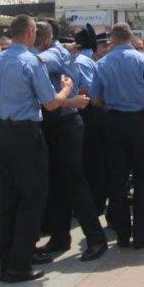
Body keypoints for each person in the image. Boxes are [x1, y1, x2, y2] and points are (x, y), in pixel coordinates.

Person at [0, 15, 74, 282]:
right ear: (31, 32)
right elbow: (51, 103)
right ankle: (20, 264)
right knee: (32, 198)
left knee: (6, 198)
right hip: (24, 133)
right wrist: (66, 89)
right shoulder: (30, 61)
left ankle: (6, 258)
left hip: (2, 133)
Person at [32, 23, 105, 261]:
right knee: (57, 184)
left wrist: (14, 57)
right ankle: (60, 237)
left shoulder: (51, 53)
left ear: (40, 41)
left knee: (75, 182)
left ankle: (96, 239)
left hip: (66, 122)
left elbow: (37, 61)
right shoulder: (58, 50)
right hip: (55, 121)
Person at [90, 23, 144, 249]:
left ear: (112, 39)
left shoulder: (102, 64)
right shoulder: (143, 60)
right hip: (140, 122)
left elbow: (95, 98)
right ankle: (141, 233)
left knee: (117, 179)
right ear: (131, 37)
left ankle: (122, 234)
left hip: (114, 122)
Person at [71, 24, 106, 215]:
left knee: (89, 161)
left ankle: (93, 203)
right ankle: (96, 201)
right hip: (92, 112)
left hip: (88, 112)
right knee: (93, 161)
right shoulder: (88, 60)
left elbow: (87, 90)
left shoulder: (80, 61)